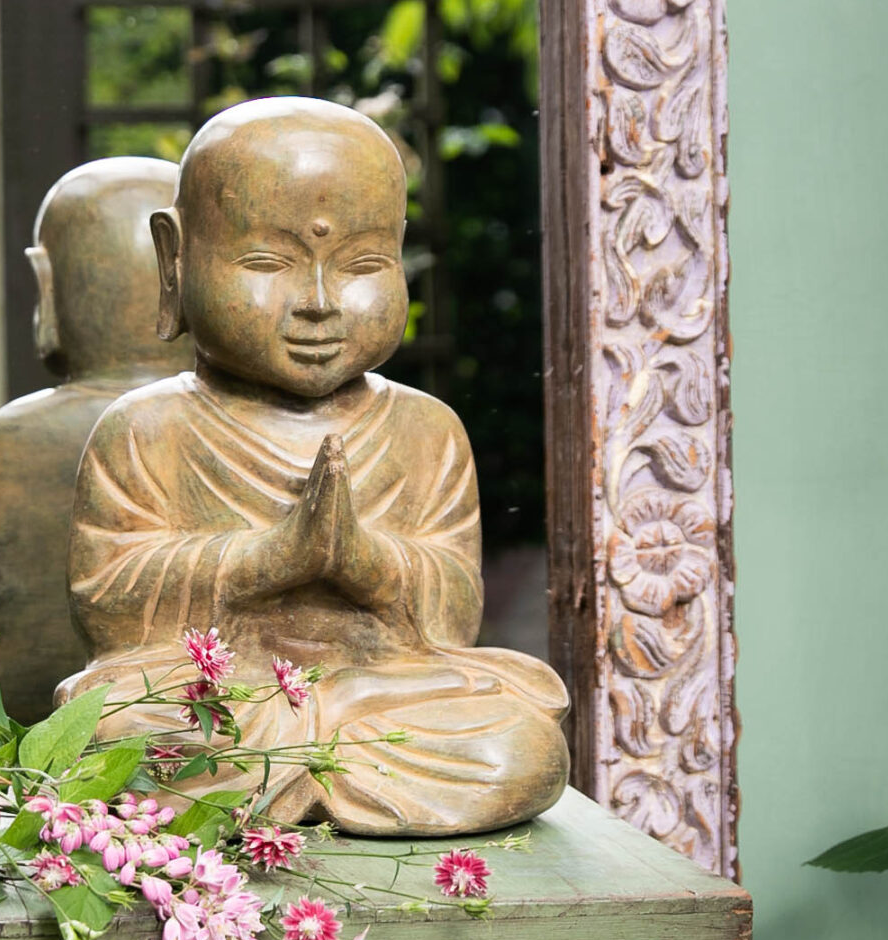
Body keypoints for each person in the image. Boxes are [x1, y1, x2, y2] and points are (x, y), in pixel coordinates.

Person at [61, 97, 568, 835]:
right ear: (175, 260)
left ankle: (293, 779)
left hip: (385, 695)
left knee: (520, 745)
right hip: (218, 701)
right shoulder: (147, 427)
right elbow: (108, 605)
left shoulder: (427, 430)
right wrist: (270, 558)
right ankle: (327, 776)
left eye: (363, 264)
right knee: (120, 732)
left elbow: (453, 614)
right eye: (268, 262)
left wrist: (362, 559)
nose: (321, 303)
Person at [0, 157, 180, 728]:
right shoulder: (231, 416)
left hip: (27, 697)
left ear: (49, 286)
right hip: (189, 695)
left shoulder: (19, 430)